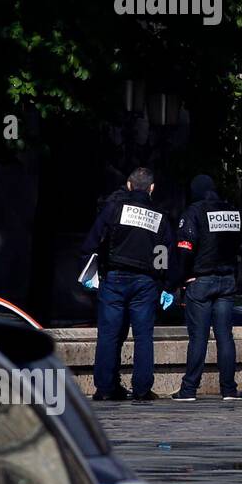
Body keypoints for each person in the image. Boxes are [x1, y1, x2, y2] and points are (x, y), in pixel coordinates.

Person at [80, 166, 176, 402]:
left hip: (113, 278)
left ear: (130, 185)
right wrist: (166, 284)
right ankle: (142, 390)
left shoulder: (113, 208)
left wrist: (90, 270)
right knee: (143, 336)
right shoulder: (160, 216)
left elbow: (92, 241)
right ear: (152, 188)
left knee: (109, 335)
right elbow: (165, 254)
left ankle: (105, 388)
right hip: (145, 283)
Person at [169, 175, 242, 402]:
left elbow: (185, 249)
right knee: (225, 336)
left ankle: (188, 390)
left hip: (200, 280)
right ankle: (228, 389)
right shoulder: (234, 212)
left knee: (198, 338)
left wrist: (181, 278)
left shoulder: (193, 212)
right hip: (227, 281)